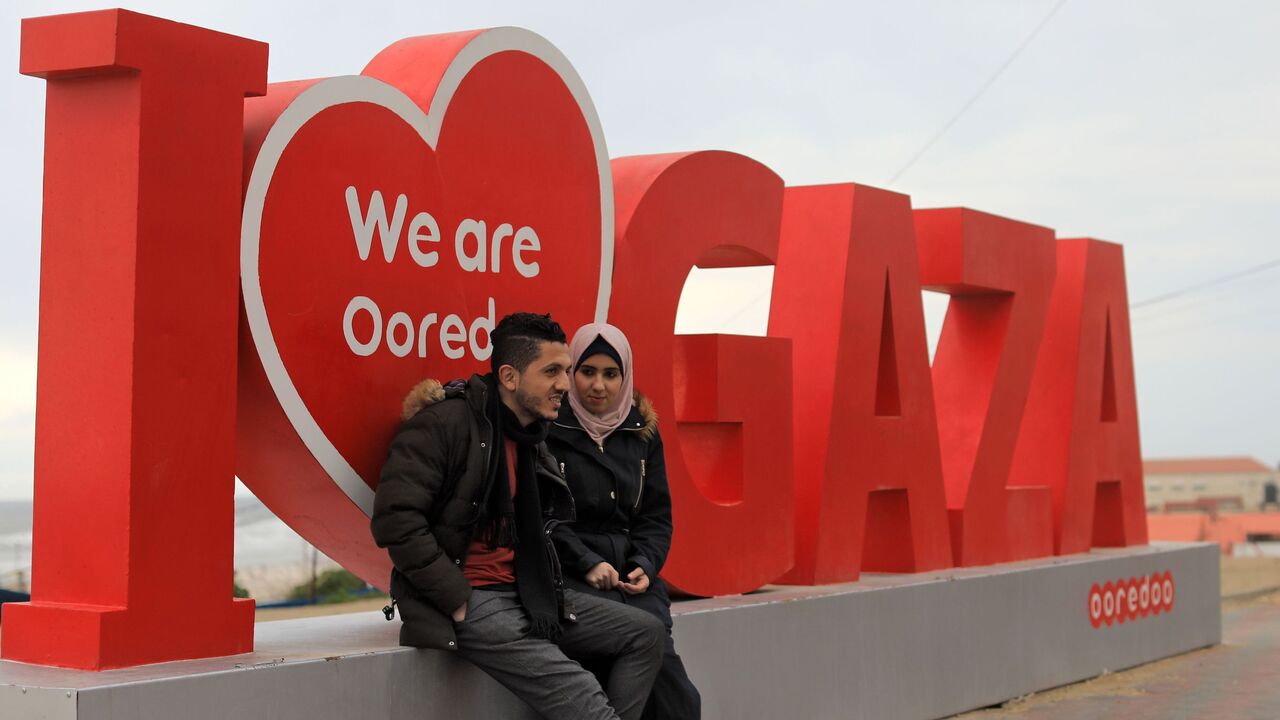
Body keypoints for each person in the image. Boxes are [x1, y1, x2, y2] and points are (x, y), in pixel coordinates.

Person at [371, 312, 665, 720]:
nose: (566, 384)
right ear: (510, 377)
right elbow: (395, 520)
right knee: (586, 698)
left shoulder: (531, 436)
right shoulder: (444, 425)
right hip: (470, 598)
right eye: (552, 372)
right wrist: (456, 598)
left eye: (565, 370)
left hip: (528, 591)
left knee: (645, 633)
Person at [547, 323, 702, 720]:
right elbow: (543, 518)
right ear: (571, 373)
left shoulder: (641, 433)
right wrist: (587, 562)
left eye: (611, 374)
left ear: (625, 376)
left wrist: (646, 566)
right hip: (574, 578)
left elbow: (655, 517)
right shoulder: (549, 429)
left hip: (632, 582)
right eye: (588, 372)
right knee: (604, 678)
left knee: (675, 697)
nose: (598, 386)